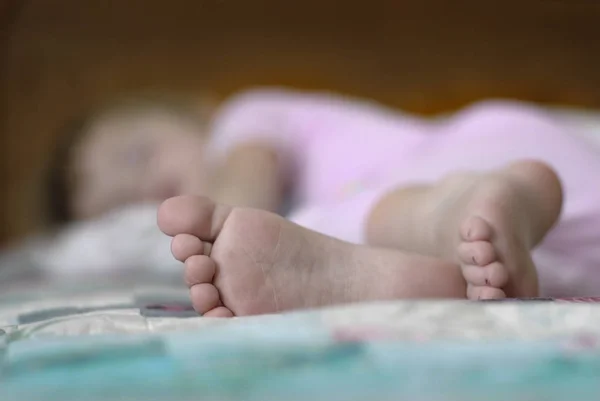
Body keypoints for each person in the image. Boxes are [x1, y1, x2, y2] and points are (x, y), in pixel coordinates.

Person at [46, 88, 600, 317]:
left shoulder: (246, 115)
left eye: (135, 155)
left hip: (471, 157)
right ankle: (448, 259)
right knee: (501, 270)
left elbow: (248, 177)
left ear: (194, 109)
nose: (143, 190)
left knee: (329, 223)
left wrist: (221, 230)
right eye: (118, 203)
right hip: (568, 241)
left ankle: (448, 214)